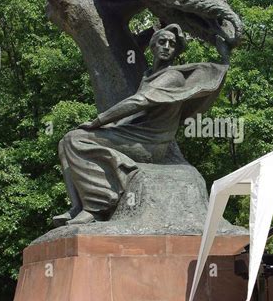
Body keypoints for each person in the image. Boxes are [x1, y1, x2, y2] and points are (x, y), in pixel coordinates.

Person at [54, 25, 230, 226]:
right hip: (135, 133)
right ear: (153, 46)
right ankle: (77, 206)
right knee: (65, 141)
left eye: (172, 44)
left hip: (151, 143)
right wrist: (106, 128)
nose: (166, 47)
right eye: (162, 42)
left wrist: (99, 120)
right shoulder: (148, 76)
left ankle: (95, 208)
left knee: (74, 140)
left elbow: (139, 101)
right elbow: (138, 112)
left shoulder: (173, 77)